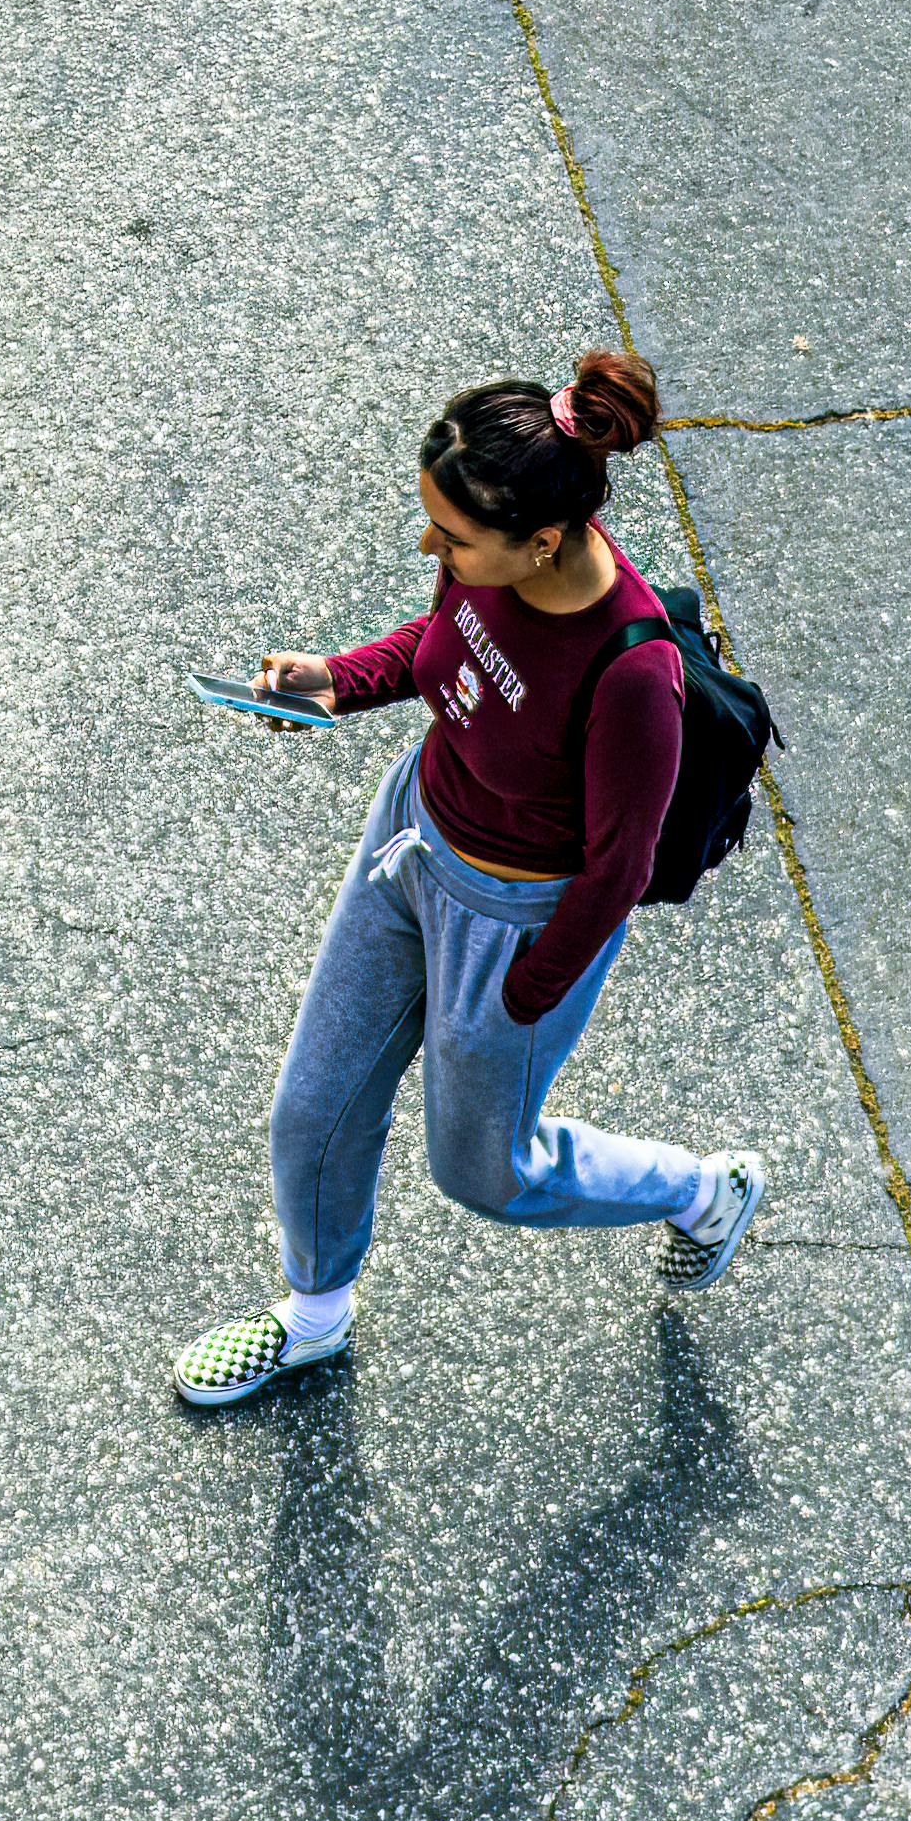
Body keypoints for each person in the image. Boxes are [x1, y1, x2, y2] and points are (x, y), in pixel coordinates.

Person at [176, 349, 763, 1408]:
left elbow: (618, 867)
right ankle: (313, 1319)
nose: (430, 547)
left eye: (451, 536)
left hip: (519, 923)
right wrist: (338, 680)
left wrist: (517, 999)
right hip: (410, 841)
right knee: (311, 1109)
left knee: (487, 1173)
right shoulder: (491, 561)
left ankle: (702, 1189)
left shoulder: (633, 674)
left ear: (542, 541)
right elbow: (444, 643)